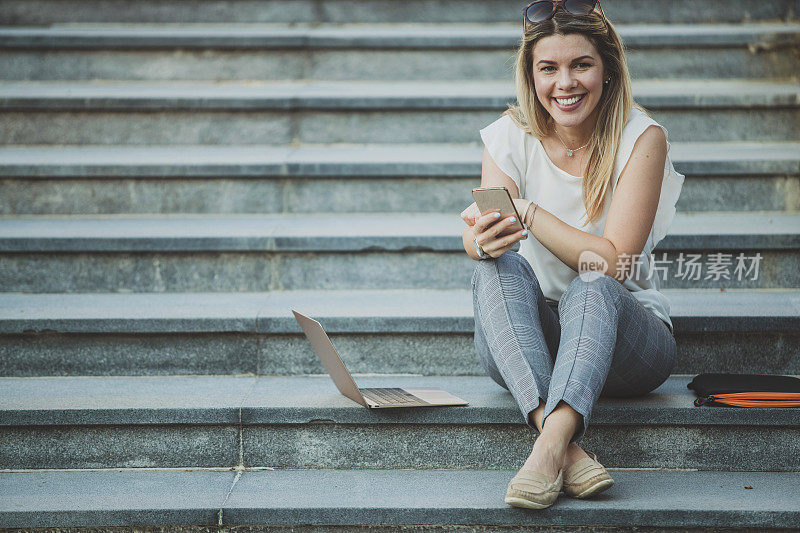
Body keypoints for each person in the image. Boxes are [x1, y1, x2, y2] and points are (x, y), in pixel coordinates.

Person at [460, 0, 684, 510]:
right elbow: (479, 233)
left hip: (626, 338)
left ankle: (545, 448)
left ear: (607, 69)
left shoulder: (641, 138)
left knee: (592, 281)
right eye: (549, 68)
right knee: (495, 266)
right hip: (531, 338)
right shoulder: (508, 136)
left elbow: (612, 262)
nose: (565, 83)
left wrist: (530, 213)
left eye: (580, 64)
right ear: (531, 74)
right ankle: (564, 447)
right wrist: (479, 239)